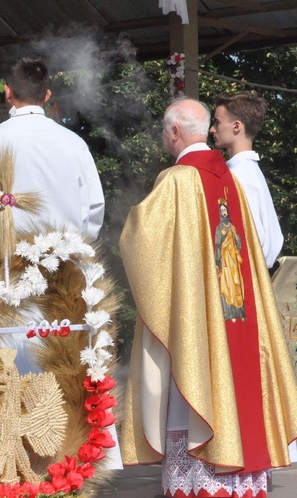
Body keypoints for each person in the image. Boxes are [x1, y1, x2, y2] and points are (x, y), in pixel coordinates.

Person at [119, 98, 297, 498]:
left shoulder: (177, 180)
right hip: (238, 310)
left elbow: (140, 242)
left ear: (175, 133)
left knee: (197, 384)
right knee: (237, 387)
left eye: (164, 132)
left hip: (198, 318)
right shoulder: (231, 179)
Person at [0, 57, 105, 245]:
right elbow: (94, 208)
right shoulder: (75, 144)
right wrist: (76, 247)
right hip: (65, 262)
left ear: (7, 91)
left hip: (8, 263)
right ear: (47, 95)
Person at [210, 92, 283, 268]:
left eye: (217, 122)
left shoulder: (240, 177)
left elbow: (254, 242)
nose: (212, 129)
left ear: (236, 126)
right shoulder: (246, 171)